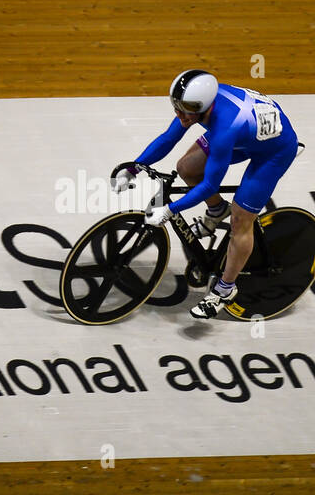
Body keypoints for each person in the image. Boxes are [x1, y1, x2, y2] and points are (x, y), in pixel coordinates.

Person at [110, 70, 301, 320]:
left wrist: (170, 210)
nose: (179, 115)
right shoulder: (195, 104)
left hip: (273, 152)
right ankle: (217, 210)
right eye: (176, 107)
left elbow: (210, 185)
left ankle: (225, 290)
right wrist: (134, 168)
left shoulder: (224, 128)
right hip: (248, 134)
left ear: (204, 107)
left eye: (185, 110)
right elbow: (169, 138)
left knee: (241, 221)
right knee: (186, 168)